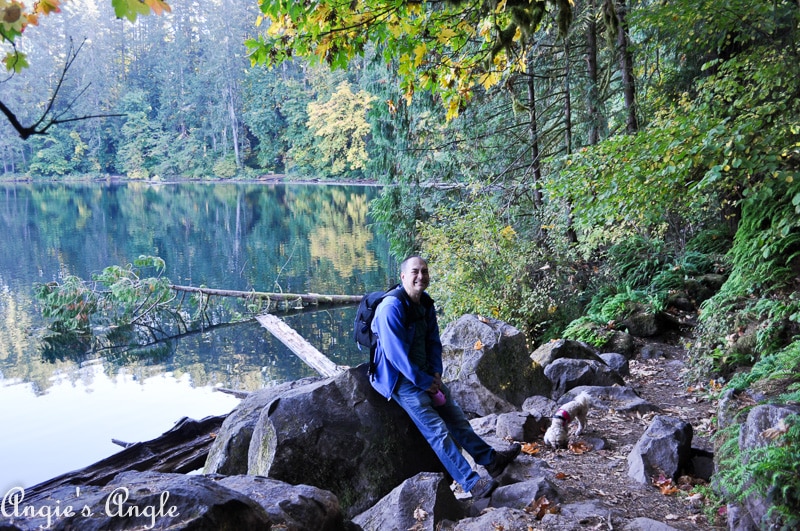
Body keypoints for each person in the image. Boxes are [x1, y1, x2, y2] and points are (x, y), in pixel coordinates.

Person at [369, 255, 521, 499]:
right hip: (400, 380)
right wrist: (424, 382)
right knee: (438, 432)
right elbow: (395, 356)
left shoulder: (426, 303)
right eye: (415, 271)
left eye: (425, 271)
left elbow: (433, 342)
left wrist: (436, 373)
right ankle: (473, 484)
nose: (421, 276)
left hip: (426, 375)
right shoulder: (391, 308)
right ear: (403, 277)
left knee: (457, 419)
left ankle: (491, 461)